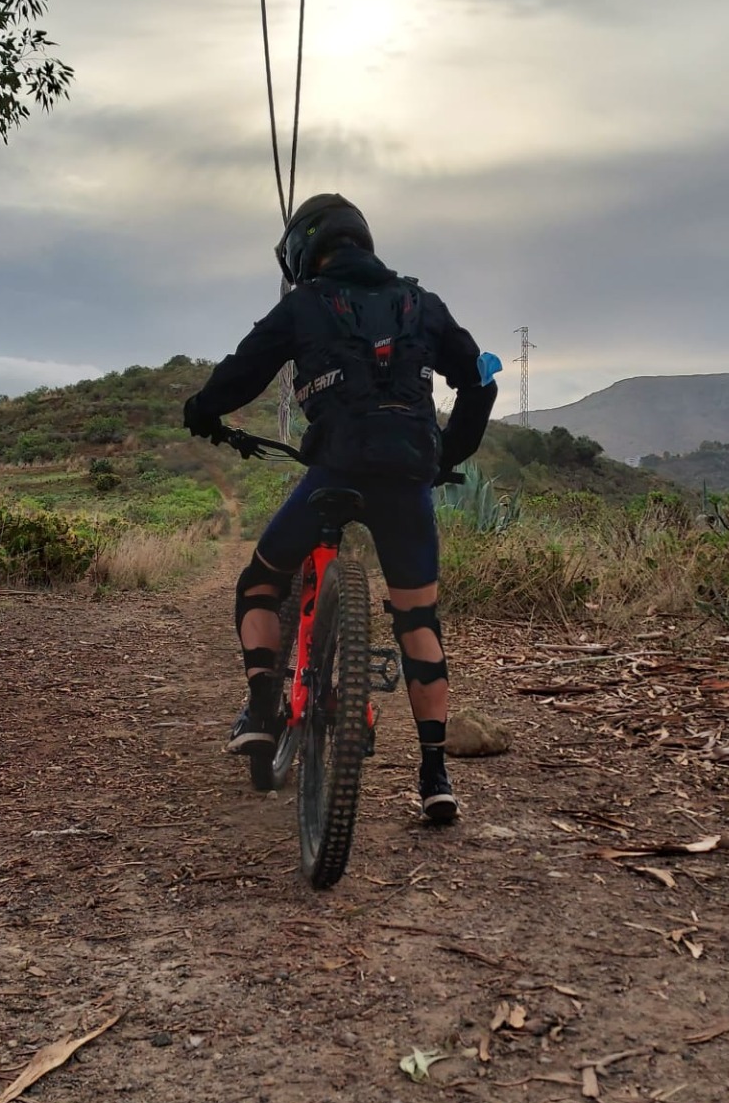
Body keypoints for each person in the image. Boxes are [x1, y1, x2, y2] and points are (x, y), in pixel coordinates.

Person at [183, 194, 498, 824]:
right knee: (418, 618)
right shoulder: (421, 304)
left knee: (260, 583)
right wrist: (445, 455)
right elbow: (480, 377)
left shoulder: (303, 304)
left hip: (336, 469)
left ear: (305, 251)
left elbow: (242, 371)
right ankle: (434, 774)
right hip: (408, 476)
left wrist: (204, 412)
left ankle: (263, 710)